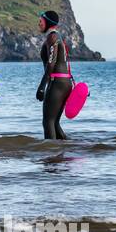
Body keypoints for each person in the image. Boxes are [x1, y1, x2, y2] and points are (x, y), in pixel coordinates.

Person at [35, 10, 71, 140]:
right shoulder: (56, 37)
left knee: (48, 122)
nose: (39, 23)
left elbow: (51, 62)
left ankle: (51, 156)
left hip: (57, 82)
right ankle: (66, 150)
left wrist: (41, 86)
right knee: (54, 123)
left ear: (47, 22)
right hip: (64, 82)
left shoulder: (52, 37)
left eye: (41, 21)